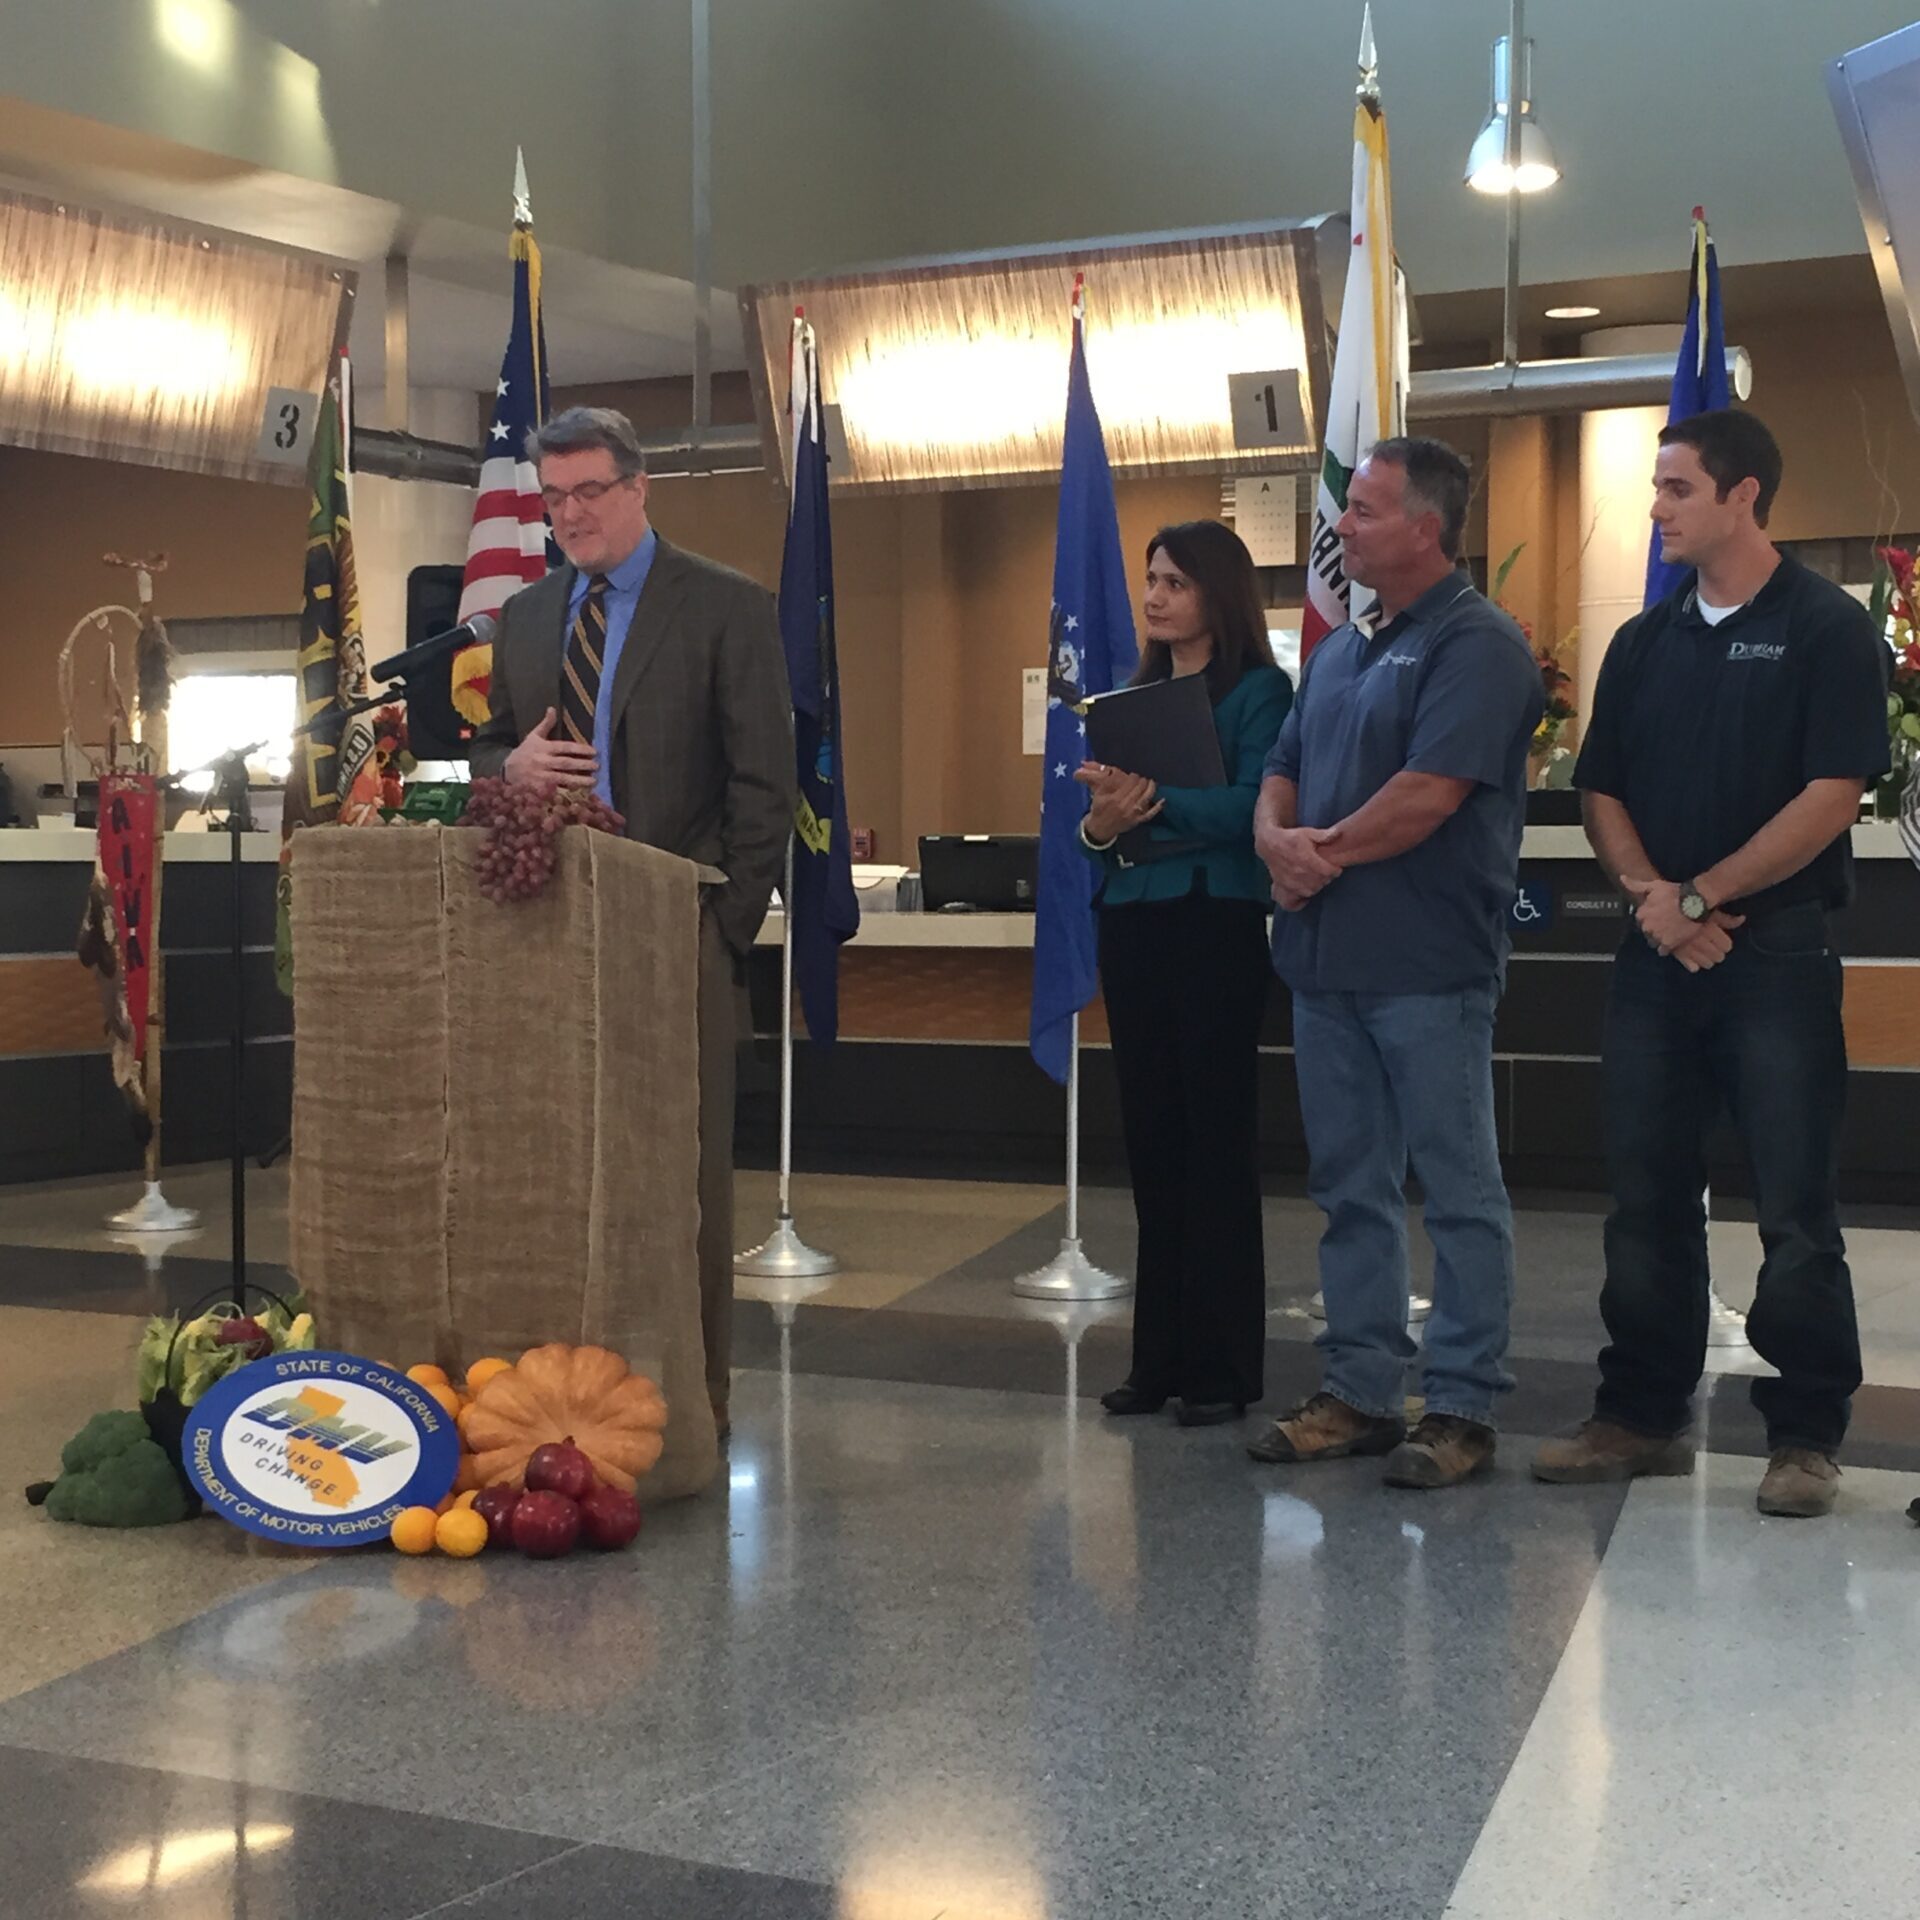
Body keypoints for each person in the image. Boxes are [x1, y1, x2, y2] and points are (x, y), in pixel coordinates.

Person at [1531, 408, 1891, 1518]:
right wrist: (1655, 898)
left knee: (1794, 1202)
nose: (1657, 508)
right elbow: (1603, 790)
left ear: (1743, 496)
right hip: (1656, 957)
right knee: (1643, 1197)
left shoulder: (1826, 627)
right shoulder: (1645, 642)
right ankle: (1638, 1415)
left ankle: (1803, 1436)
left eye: (1677, 488)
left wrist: (1703, 895)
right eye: (1659, 487)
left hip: (1773, 955)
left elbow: (1834, 793)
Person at [468, 406, 795, 1441]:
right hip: (546, 937)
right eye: (553, 498)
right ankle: (559, 1401)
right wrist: (505, 769)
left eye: (589, 493)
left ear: (639, 487)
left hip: (674, 935)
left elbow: (764, 784)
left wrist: (722, 931)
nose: (569, 516)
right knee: (555, 1169)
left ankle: (694, 1404)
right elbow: (485, 756)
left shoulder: (724, 607)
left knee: (680, 1183)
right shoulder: (523, 619)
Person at [1246, 437, 1544, 1489]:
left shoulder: (1480, 644)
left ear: (1428, 527)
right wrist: (1277, 840)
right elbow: (1280, 770)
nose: (1343, 527)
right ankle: (1362, 1393)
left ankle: (1461, 1407)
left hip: (1427, 966)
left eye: (1365, 511)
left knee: (1459, 1189)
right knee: (1349, 1188)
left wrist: (1311, 858)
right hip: (1325, 966)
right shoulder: (1338, 650)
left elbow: (1429, 795)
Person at [1079, 521, 1292, 1426]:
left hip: (1215, 923)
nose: (1155, 596)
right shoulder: (1133, 698)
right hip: (1134, 923)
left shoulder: (1259, 691)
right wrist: (1102, 825)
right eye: (1150, 580)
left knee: (1214, 1142)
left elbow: (1256, 805)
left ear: (1218, 592)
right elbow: (1095, 830)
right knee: (1154, 1143)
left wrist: (1148, 805)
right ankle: (1157, 1358)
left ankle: (1222, 1367)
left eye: (1174, 581)